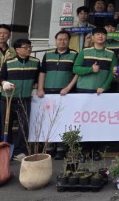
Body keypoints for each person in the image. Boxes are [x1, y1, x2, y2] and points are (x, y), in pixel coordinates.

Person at [37, 30, 78, 159]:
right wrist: (40, 88)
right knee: (48, 121)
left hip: (65, 93)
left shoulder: (74, 54)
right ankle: (49, 146)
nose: (62, 41)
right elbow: (42, 72)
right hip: (48, 93)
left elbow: (77, 73)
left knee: (63, 120)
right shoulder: (48, 54)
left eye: (65, 39)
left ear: (69, 41)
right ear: (55, 41)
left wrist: (68, 88)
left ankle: (61, 147)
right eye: (60, 39)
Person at [0, 38, 41, 161]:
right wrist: (4, 83)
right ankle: (5, 149)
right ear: (17, 50)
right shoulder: (9, 62)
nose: (29, 49)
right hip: (8, 99)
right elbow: (0, 78)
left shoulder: (35, 62)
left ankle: (20, 151)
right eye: (25, 47)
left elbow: (38, 78)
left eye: (30, 47)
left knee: (24, 125)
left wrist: (36, 87)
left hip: (25, 99)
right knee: (6, 125)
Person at [73, 27, 118, 95]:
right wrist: (91, 69)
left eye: (103, 34)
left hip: (102, 91)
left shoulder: (111, 54)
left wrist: (104, 87)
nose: (100, 36)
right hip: (83, 89)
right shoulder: (84, 52)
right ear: (93, 37)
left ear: (106, 37)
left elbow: (112, 73)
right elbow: (75, 69)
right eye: (98, 34)